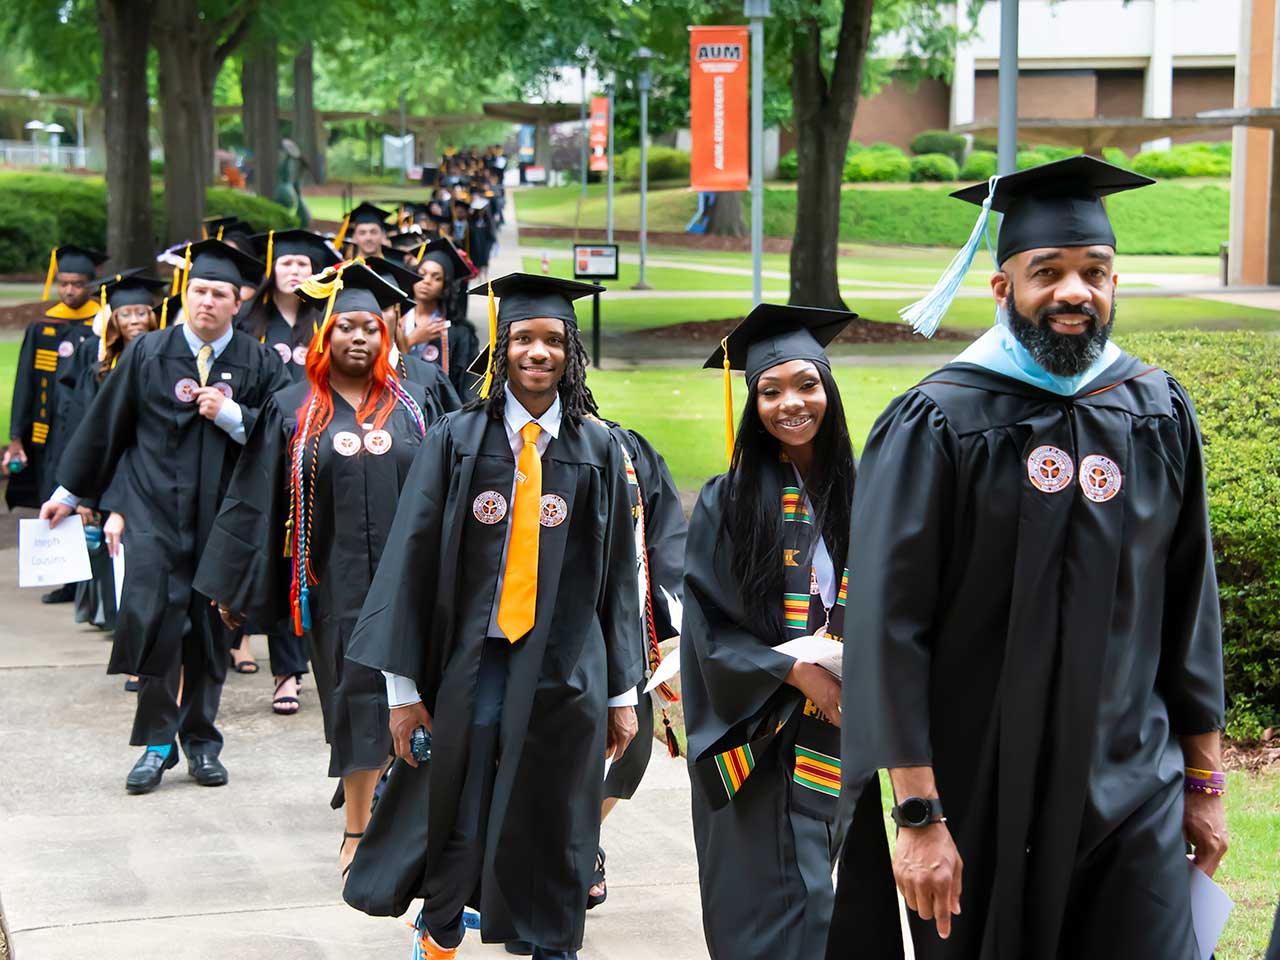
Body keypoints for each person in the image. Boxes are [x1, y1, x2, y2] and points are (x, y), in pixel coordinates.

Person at [829, 156, 1227, 959]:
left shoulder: (1153, 409)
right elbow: (887, 630)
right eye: (1048, 272)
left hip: (1131, 791)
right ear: (1003, 290)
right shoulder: (938, 422)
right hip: (979, 797)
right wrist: (918, 816)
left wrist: (1204, 782)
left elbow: (1189, 606)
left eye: (1095, 272)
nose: (1075, 292)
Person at [341, 273, 644, 960]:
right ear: (502, 349)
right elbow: (409, 564)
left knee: (558, 814)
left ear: (572, 355)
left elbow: (618, 582)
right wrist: (401, 692)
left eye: (554, 341)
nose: (539, 353)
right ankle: (442, 931)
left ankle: (552, 946)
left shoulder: (598, 448)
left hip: (566, 668)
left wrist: (623, 694)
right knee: (461, 808)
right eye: (524, 339)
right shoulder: (457, 438)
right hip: (474, 663)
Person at [195, 263, 443, 875]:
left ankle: (408, 813)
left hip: (419, 582)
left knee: (424, 699)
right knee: (355, 700)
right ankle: (358, 829)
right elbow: (257, 494)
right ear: (324, 336)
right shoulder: (293, 408)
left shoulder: (420, 399)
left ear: (386, 338)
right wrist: (235, 583)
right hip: (337, 585)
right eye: (344, 327)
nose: (357, 338)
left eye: (370, 328)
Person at [679, 304, 899, 960]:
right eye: (770, 391)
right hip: (760, 736)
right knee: (771, 901)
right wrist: (798, 672)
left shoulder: (865, 492)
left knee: (822, 892)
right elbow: (707, 625)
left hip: (840, 728)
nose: (790, 403)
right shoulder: (730, 499)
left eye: (806, 384)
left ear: (829, 388)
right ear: (752, 403)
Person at [40, 239, 291, 795]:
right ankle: (156, 744)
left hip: (226, 517)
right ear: (186, 293)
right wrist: (68, 490)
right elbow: (108, 425)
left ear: (237, 301)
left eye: (219, 294)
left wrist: (232, 415)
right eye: (198, 290)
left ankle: (201, 741)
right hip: (152, 510)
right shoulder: (150, 352)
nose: (206, 302)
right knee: (153, 620)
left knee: (208, 630)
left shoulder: (257, 361)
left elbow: (285, 433)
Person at [233, 229, 342, 709]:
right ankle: (288, 672)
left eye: (303, 263)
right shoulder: (250, 322)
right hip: (267, 448)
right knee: (285, 557)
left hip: (327, 452)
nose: (294, 271)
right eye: (286, 263)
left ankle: (328, 658)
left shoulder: (329, 320)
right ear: (271, 271)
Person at [51, 270, 165, 635]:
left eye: (141, 312)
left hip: (155, 474)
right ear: (112, 320)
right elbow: (87, 432)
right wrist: (83, 492)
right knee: (113, 554)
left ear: (154, 314)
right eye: (125, 314)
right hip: (110, 475)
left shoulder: (168, 362)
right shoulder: (100, 370)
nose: (134, 321)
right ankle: (123, 625)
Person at [5, 246, 107, 565]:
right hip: (49, 431)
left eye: (76, 283)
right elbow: (25, 383)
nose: (69, 290)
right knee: (53, 494)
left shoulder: (102, 324)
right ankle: (62, 572)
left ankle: (86, 574)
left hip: (87, 428)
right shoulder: (42, 327)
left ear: (91, 285)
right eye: (63, 283)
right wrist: (16, 435)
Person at [401, 238, 476, 384]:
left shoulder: (458, 332)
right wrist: (411, 340)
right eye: (422, 274)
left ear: (445, 286)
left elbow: (466, 383)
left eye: (436, 278)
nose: (426, 281)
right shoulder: (396, 319)